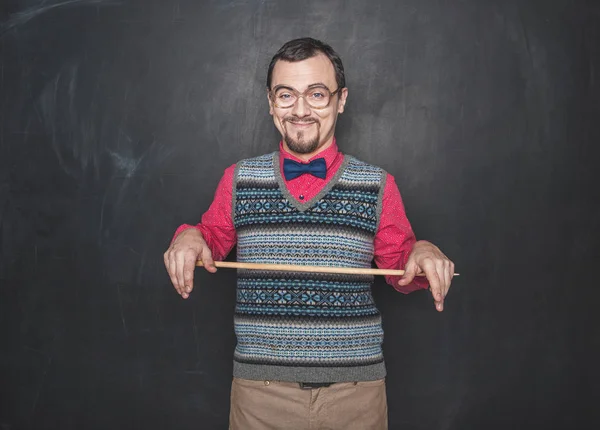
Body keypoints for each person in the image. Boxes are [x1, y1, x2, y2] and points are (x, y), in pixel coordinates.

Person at [164, 37, 455, 430]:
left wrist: (422, 251)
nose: (300, 110)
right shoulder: (238, 179)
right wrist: (189, 237)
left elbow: (399, 267)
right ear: (270, 102)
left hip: (357, 393)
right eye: (286, 95)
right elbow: (209, 239)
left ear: (341, 100)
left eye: (316, 94)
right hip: (259, 393)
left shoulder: (378, 185)